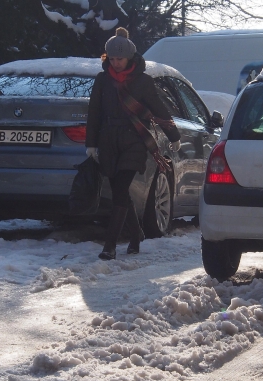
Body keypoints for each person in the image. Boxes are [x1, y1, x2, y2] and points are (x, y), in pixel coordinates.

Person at [85, 27, 181, 260]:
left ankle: (110, 245)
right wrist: (91, 143)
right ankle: (136, 233)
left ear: (130, 58)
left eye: (120, 59)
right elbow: (94, 111)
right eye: (113, 58)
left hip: (134, 140)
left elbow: (159, 108)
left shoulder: (143, 81)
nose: (116, 63)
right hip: (108, 140)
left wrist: (174, 135)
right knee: (120, 190)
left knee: (121, 187)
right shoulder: (102, 80)